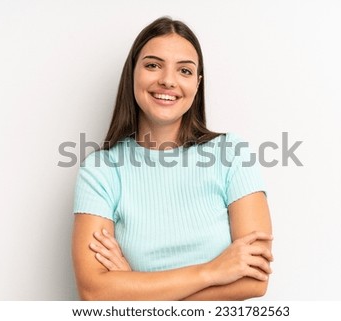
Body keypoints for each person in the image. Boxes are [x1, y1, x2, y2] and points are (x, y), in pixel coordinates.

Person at [71, 16, 273, 301]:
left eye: (185, 71)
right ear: (132, 74)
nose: (167, 80)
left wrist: (132, 288)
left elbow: (254, 281)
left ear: (197, 84)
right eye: (153, 65)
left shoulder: (231, 154)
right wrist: (213, 271)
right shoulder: (101, 170)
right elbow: (94, 291)